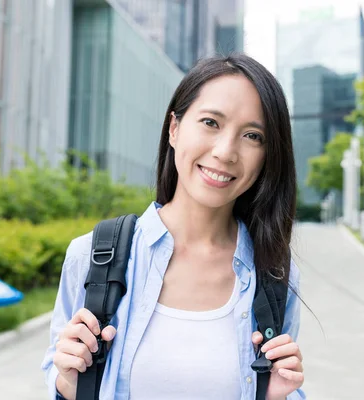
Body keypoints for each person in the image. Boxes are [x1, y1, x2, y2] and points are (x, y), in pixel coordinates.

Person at [41, 53, 305, 400]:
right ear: (174, 128)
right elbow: (58, 376)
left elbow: (279, 387)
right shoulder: (92, 256)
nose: (226, 152)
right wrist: (68, 383)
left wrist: (277, 396)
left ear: (268, 156)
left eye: (253, 136)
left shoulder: (273, 273)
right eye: (211, 122)